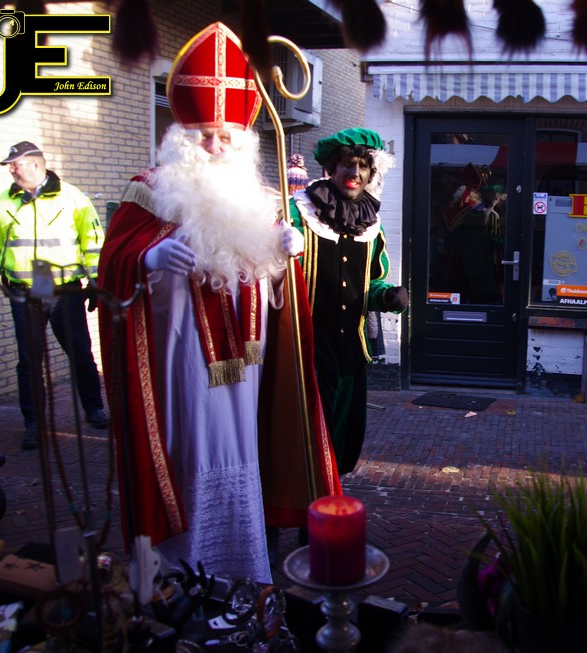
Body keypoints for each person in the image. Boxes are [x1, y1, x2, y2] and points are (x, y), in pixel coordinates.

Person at [97, 22, 305, 583]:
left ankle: (240, 564)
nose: (216, 146)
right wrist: (146, 259)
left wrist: (286, 250)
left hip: (248, 362)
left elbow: (273, 286)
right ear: (182, 135)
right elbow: (111, 263)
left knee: (244, 446)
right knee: (187, 444)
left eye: (227, 136)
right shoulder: (150, 190)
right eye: (206, 135)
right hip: (181, 355)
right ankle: (180, 569)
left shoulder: (260, 197)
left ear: (244, 139)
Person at [288, 128, 408, 475]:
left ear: (372, 173)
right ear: (330, 167)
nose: (354, 173)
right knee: (305, 441)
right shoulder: (298, 212)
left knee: (342, 440)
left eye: (362, 166)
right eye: (346, 164)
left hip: (351, 353)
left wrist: (387, 296)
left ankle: (332, 497)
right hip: (306, 351)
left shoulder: (371, 224)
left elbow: (370, 283)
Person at [0, 141, 109, 450]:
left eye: (16, 163)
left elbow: (93, 243)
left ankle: (94, 408)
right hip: (25, 292)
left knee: (79, 352)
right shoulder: (2, 203)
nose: (11, 169)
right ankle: (34, 423)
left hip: (64, 290)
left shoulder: (72, 198)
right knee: (29, 361)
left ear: (36, 164)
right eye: (10, 165)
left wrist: (96, 282)